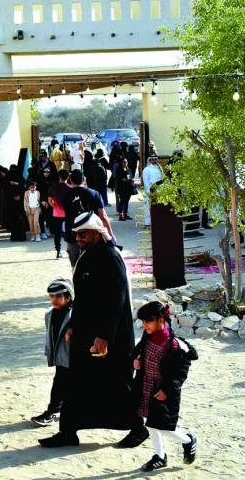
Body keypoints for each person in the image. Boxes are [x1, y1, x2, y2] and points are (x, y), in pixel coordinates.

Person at [38, 212, 147, 449]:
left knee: (117, 384)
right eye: (76, 234)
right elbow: (84, 299)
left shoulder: (110, 257)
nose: (78, 238)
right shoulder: (89, 254)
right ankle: (68, 431)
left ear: (97, 232)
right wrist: (73, 327)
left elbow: (115, 301)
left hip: (109, 338)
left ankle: (138, 428)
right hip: (85, 334)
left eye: (83, 233)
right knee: (76, 382)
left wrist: (103, 337)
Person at [132, 301, 199, 471]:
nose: (145, 325)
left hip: (163, 391)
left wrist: (166, 391)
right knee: (150, 422)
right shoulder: (148, 336)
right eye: (143, 321)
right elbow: (140, 353)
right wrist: (137, 362)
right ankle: (160, 456)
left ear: (161, 320)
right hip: (147, 385)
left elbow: (180, 373)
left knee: (164, 426)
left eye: (148, 321)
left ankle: (188, 440)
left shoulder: (175, 346)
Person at [31, 279, 73, 427]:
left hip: (71, 357)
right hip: (60, 357)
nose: (54, 300)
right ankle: (55, 411)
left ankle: (53, 412)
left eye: (58, 296)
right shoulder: (49, 314)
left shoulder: (74, 316)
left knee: (61, 385)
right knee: (60, 383)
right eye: (51, 297)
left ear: (68, 297)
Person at [57, 169, 116, 266]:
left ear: (70, 180)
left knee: (75, 265)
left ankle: (77, 280)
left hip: (72, 234)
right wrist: (110, 235)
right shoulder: (94, 193)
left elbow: (66, 212)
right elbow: (103, 216)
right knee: (95, 263)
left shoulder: (64, 195)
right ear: (84, 179)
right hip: (92, 234)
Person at [47, 170, 69, 259]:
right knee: (70, 232)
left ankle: (58, 252)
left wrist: (55, 206)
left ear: (59, 177)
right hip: (68, 213)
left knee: (57, 233)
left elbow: (49, 200)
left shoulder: (53, 187)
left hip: (57, 213)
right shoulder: (69, 188)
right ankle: (70, 250)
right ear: (67, 177)